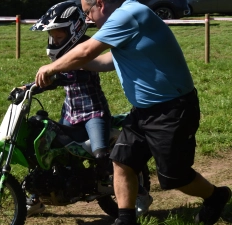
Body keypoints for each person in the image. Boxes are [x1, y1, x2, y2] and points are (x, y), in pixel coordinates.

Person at [34, 0, 231, 225]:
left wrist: (51, 67)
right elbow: (106, 60)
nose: (88, 20)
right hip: (143, 111)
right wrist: (71, 64)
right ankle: (125, 220)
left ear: (100, 3)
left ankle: (216, 196)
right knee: (121, 161)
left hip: (172, 109)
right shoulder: (127, 18)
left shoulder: (127, 15)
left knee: (174, 177)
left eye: (88, 12)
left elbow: (88, 50)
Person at [23, 1, 152, 218]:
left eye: (59, 35)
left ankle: (140, 193)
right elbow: (56, 77)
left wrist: (50, 79)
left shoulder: (85, 48)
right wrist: (28, 88)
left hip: (94, 112)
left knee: (101, 154)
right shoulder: (63, 53)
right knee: (51, 153)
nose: (54, 40)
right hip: (70, 112)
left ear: (74, 30)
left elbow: (74, 74)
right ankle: (36, 198)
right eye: (52, 36)